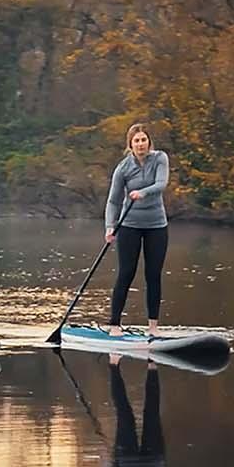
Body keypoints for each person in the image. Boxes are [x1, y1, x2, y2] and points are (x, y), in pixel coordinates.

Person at [104, 123, 170, 336]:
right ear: (130, 145)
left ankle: (153, 327)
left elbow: (161, 184)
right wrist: (110, 227)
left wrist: (142, 192)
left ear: (149, 142)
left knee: (153, 275)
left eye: (143, 139)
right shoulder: (123, 168)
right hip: (129, 225)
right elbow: (113, 201)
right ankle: (114, 325)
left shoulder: (160, 158)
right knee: (126, 273)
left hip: (156, 225)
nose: (140, 144)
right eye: (136, 141)